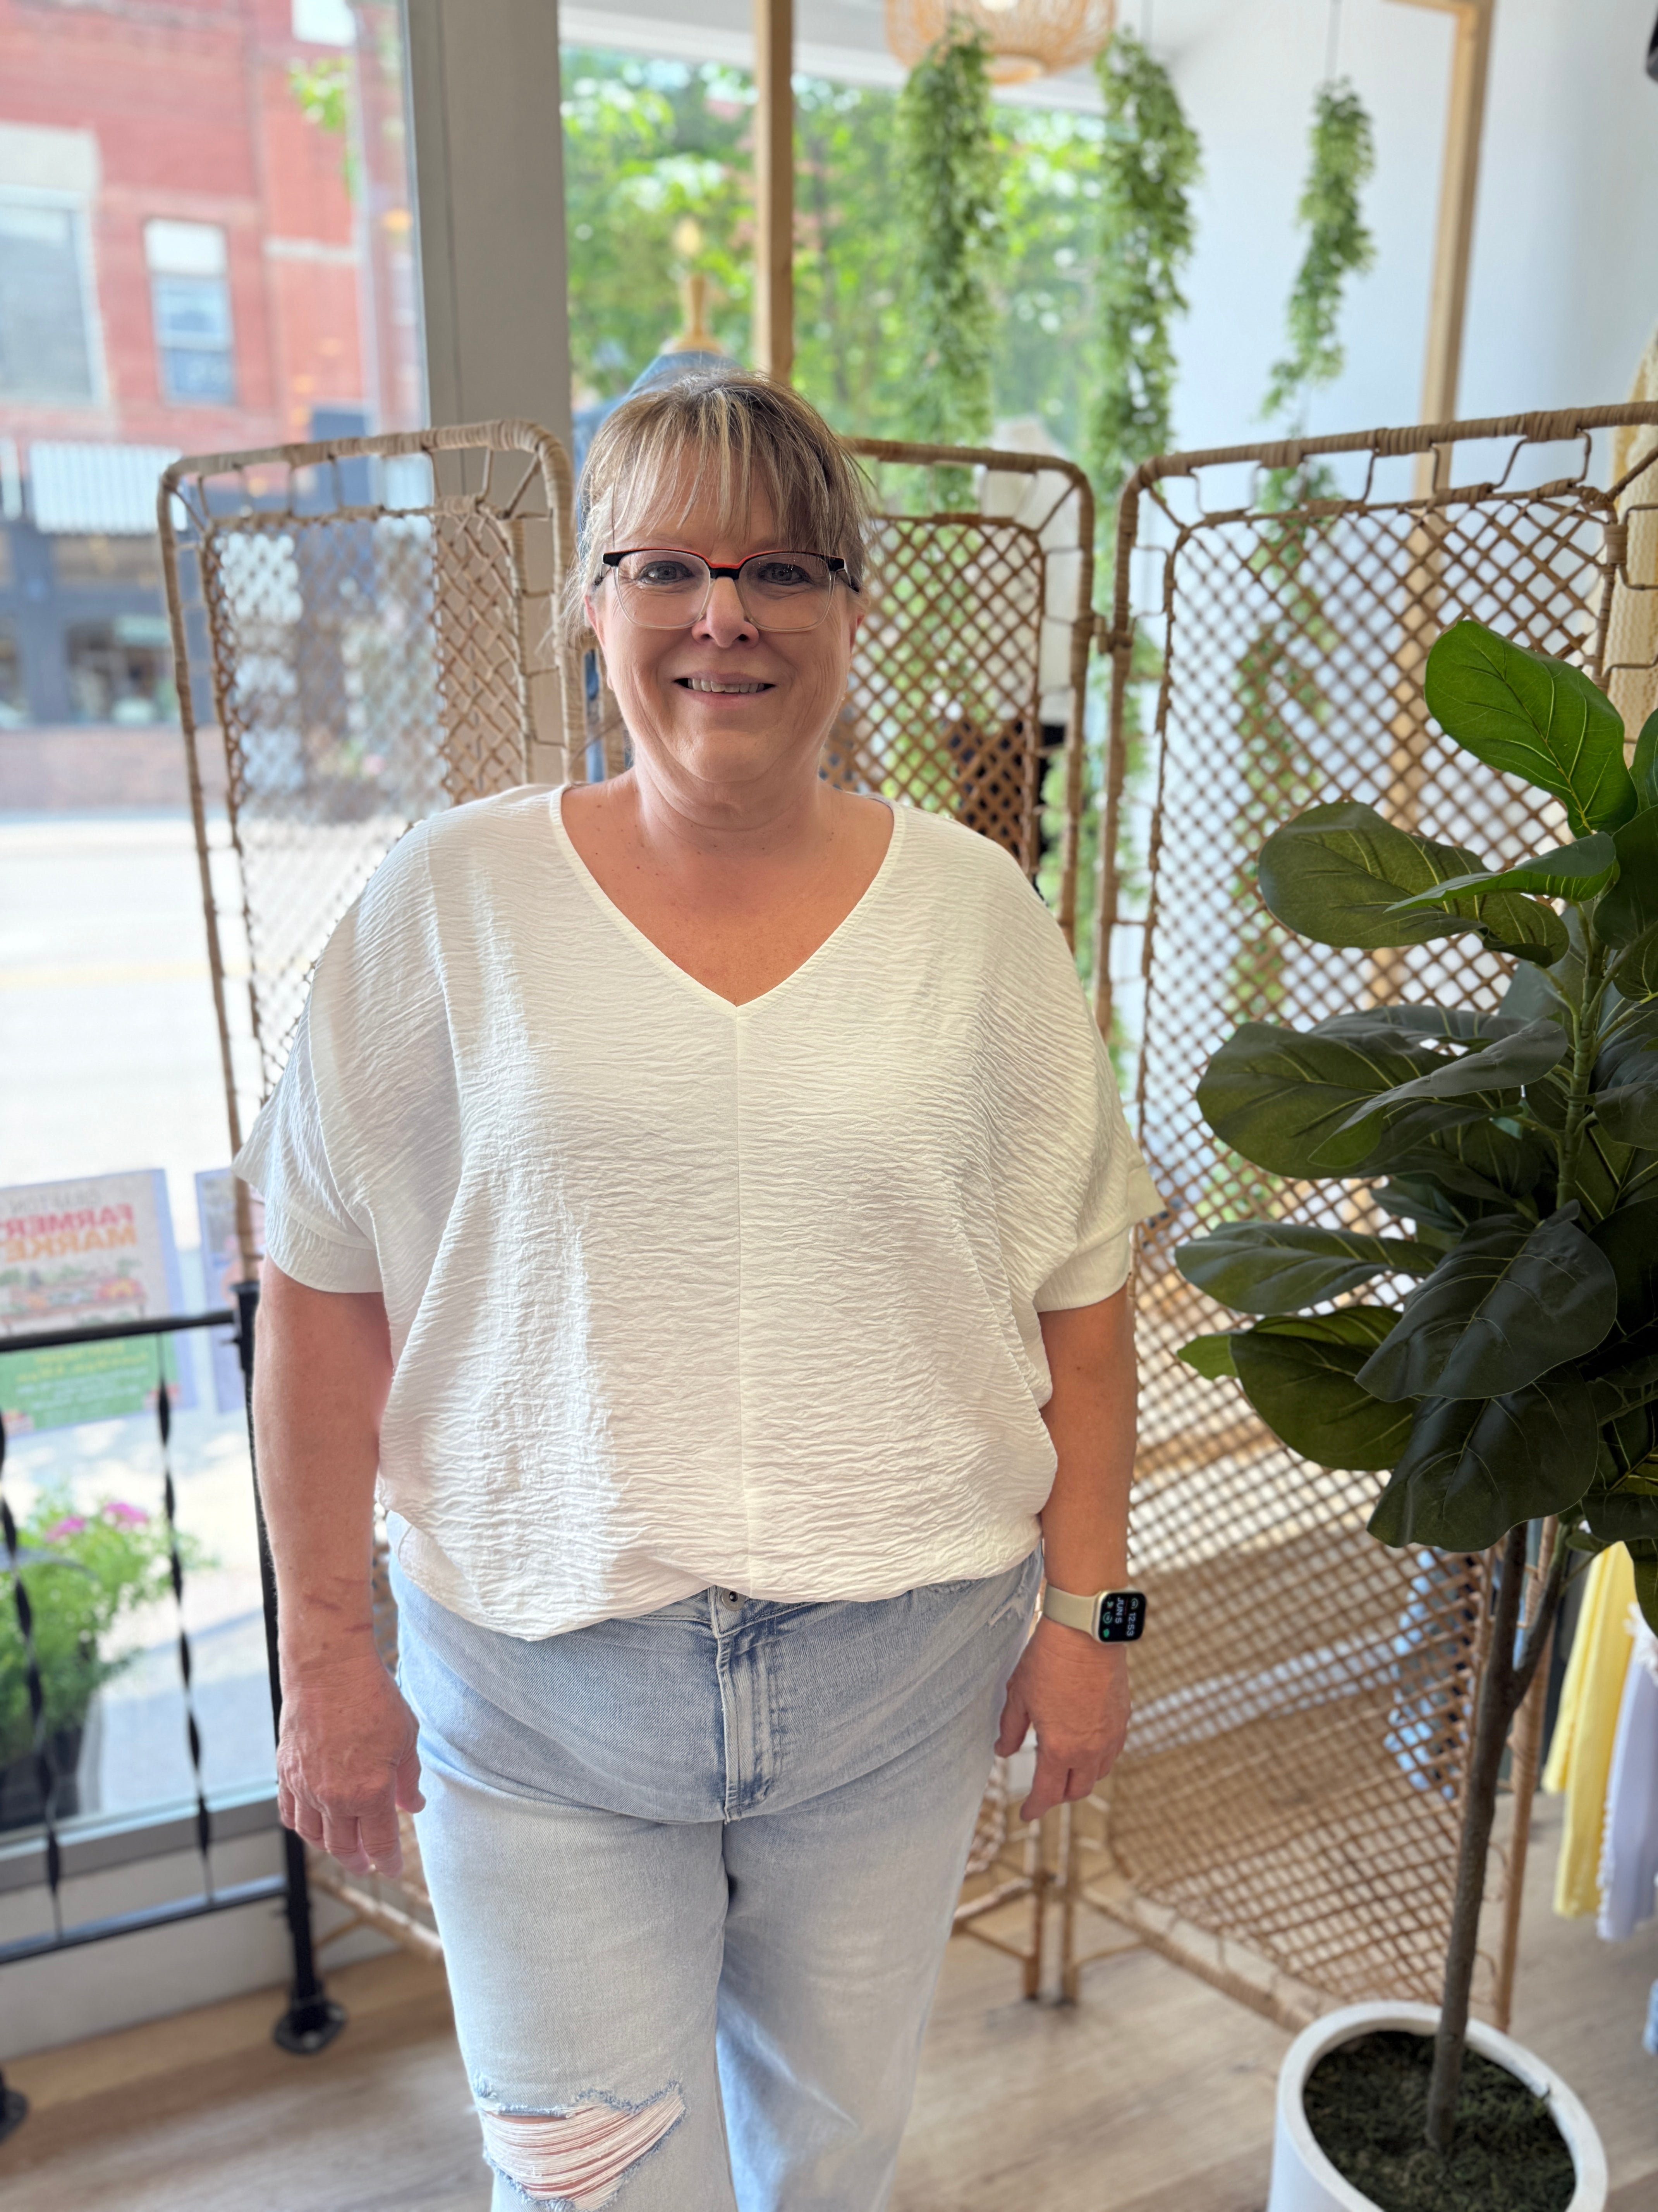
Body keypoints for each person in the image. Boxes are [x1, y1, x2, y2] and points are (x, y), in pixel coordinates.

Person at [239, 368, 1158, 2212]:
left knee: (829, 2165)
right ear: (591, 604)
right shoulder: (448, 907)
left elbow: (1085, 1300)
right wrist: (328, 1651)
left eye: (785, 569)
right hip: (540, 1702)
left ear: (850, 612)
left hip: (898, 1682)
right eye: (664, 564)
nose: (723, 613)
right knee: (589, 2188)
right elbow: (321, 1293)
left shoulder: (978, 917)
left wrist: (1093, 1620)